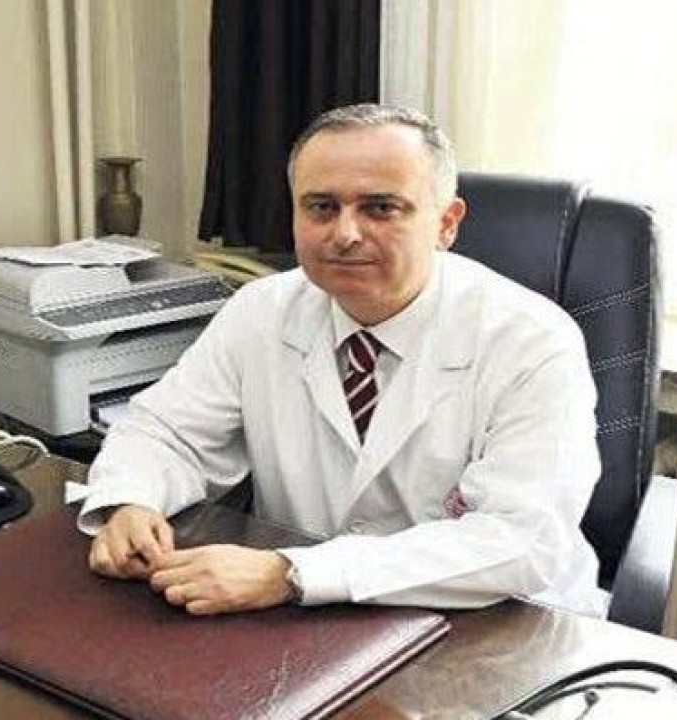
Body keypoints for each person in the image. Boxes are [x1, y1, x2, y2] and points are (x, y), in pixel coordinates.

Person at [79, 103, 607, 617]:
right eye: (321, 207)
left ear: (446, 223)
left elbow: (522, 539)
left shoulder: (532, 340)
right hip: (317, 621)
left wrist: (291, 573)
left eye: (381, 208)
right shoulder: (261, 311)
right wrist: (132, 500)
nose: (346, 234)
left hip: (502, 621)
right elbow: (165, 432)